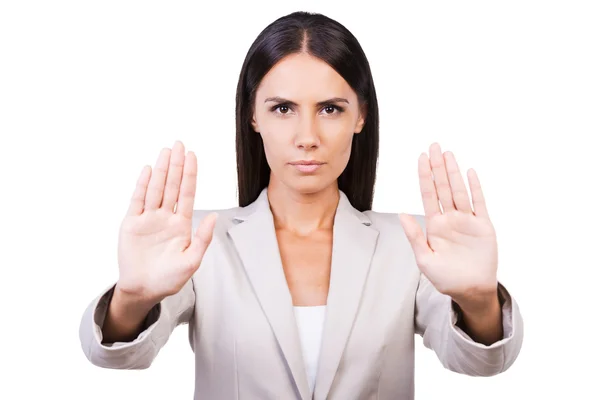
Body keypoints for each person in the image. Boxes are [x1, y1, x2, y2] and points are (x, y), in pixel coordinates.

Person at [79, 10, 524, 400]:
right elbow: (117, 357)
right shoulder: (198, 240)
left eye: (330, 109)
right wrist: (132, 297)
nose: (307, 136)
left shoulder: (412, 245)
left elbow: (479, 362)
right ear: (253, 115)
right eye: (282, 108)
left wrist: (478, 300)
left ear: (360, 116)